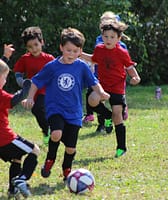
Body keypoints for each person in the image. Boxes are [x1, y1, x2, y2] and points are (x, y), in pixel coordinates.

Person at [22, 27, 110, 184]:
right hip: (55, 108)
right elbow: (35, 82)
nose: (71, 54)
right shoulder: (52, 66)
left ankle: (66, 170)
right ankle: (50, 159)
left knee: (71, 148)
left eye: (75, 51)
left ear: (80, 51)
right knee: (56, 133)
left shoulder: (81, 66)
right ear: (61, 47)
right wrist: (30, 98)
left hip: (74, 112)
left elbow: (93, 82)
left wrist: (101, 93)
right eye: (68, 50)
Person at [81, 19, 141, 158]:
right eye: (106, 36)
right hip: (102, 86)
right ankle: (106, 115)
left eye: (112, 37)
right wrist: (81, 54)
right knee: (92, 101)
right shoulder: (99, 49)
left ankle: (121, 148)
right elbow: (94, 59)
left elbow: (129, 66)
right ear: (102, 37)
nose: (108, 39)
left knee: (117, 116)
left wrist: (135, 77)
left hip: (117, 87)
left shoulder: (122, 52)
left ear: (118, 39)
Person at [83, 11, 130, 134]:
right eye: (103, 21)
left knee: (117, 105)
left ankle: (121, 110)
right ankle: (102, 123)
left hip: (116, 79)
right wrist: (92, 67)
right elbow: (95, 57)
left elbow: (126, 64)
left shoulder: (121, 46)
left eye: (109, 21)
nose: (106, 23)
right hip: (101, 75)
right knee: (97, 99)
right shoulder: (99, 40)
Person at [0, 57, 40, 198]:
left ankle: (12, 190)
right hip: (4, 138)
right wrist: (26, 88)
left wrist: (4, 58)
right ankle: (21, 179)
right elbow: (13, 100)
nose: (5, 81)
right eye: (4, 78)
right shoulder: (0, 94)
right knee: (35, 150)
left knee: (17, 157)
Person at [13, 26, 55, 145]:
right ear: (27, 48)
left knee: (38, 108)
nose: (34, 48)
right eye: (30, 47)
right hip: (32, 91)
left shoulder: (49, 59)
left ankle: (50, 130)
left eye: (36, 44)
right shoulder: (25, 59)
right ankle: (46, 131)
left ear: (42, 42)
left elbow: (55, 73)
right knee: (37, 112)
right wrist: (21, 81)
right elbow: (18, 73)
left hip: (46, 90)